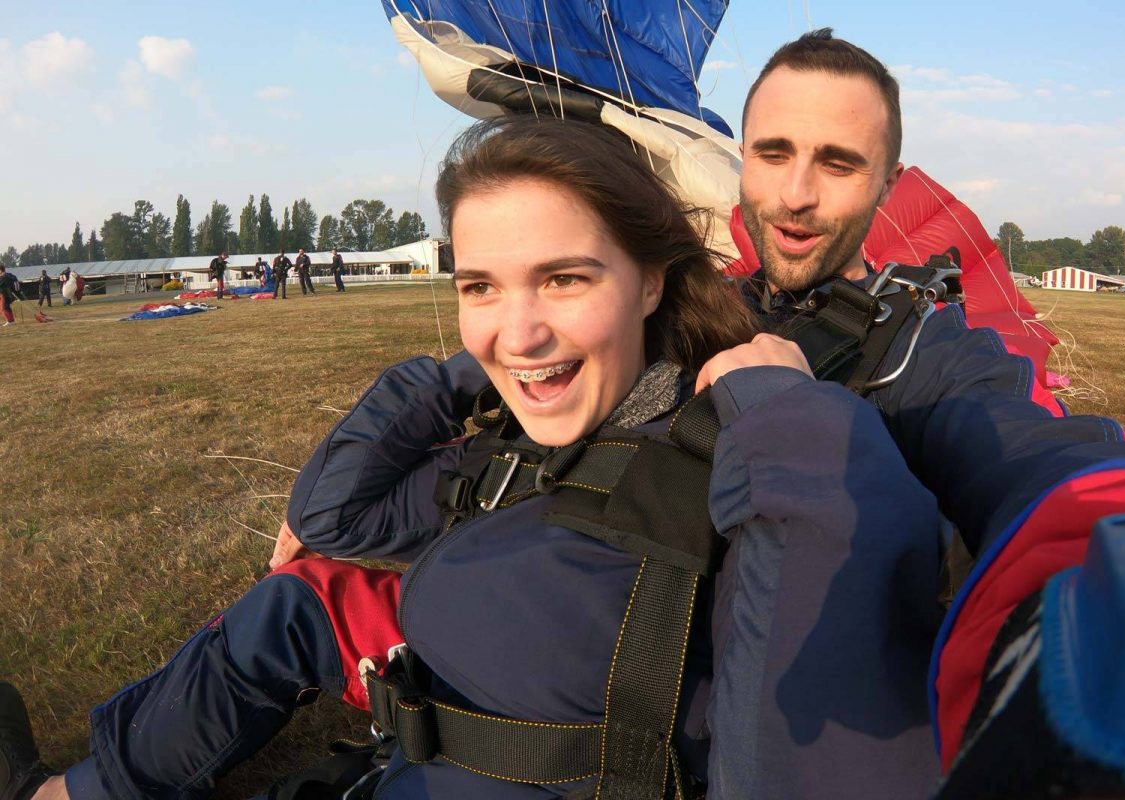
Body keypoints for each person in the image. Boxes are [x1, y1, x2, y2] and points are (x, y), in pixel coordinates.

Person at [0, 116, 944, 800]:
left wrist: (781, 409)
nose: (521, 329)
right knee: (298, 594)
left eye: (565, 278)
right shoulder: (510, 441)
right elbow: (333, 517)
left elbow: (824, 683)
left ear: (652, 278)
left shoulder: (721, 461)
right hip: (410, 732)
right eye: (479, 284)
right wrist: (471, 363)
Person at [722, 29, 1125, 797]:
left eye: (838, 163)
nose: (795, 194)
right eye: (772, 153)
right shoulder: (689, 315)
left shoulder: (925, 353)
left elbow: (1025, 450)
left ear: (888, 186)